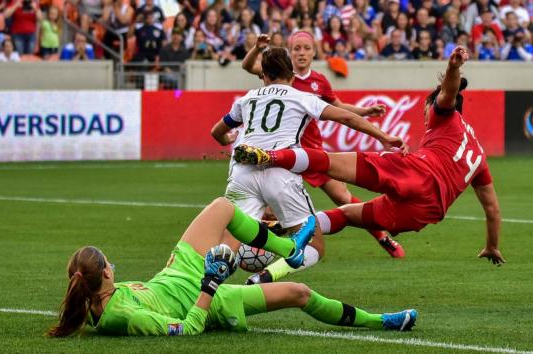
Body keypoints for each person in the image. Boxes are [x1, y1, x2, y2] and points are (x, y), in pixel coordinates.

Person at [234, 46, 506, 267]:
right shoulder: (479, 156)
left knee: (328, 162)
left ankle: (269, 156)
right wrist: (492, 246)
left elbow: (448, 92)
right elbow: (492, 210)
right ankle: (287, 229)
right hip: (428, 210)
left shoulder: (443, 114)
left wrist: (453, 67)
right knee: (347, 215)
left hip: (418, 171)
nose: (425, 115)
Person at [47, 197, 417, 337]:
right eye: (110, 262)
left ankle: (289, 248)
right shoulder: (121, 317)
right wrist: (211, 283)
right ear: (106, 274)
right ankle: (381, 321)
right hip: (207, 296)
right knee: (299, 293)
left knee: (223, 207)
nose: (114, 264)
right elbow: (187, 329)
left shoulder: (102, 298)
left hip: (178, 269)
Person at [213, 47, 406, 285]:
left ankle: (203, 291)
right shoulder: (301, 97)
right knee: (314, 243)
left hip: (242, 171)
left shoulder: (247, 98)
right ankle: (262, 278)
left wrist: (227, 140)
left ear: (263, 75)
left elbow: (217, 131)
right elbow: (345, 117)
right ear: (292, 75)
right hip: (281, 171)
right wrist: (383, 136)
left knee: (229, 241)